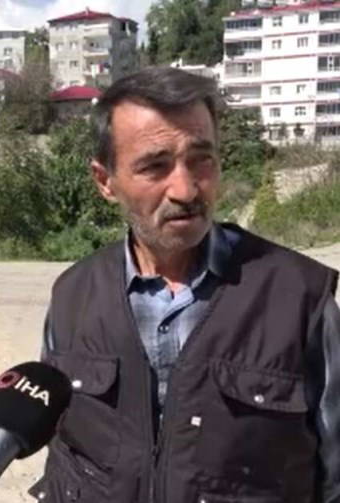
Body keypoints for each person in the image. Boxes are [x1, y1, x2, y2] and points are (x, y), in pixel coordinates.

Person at [31, 67, 340, 503]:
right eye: (155, 166)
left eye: (201, 159)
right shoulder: (72, 296)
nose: (186, 188)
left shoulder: (299, 298)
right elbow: (65, 458)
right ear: (105, 181)